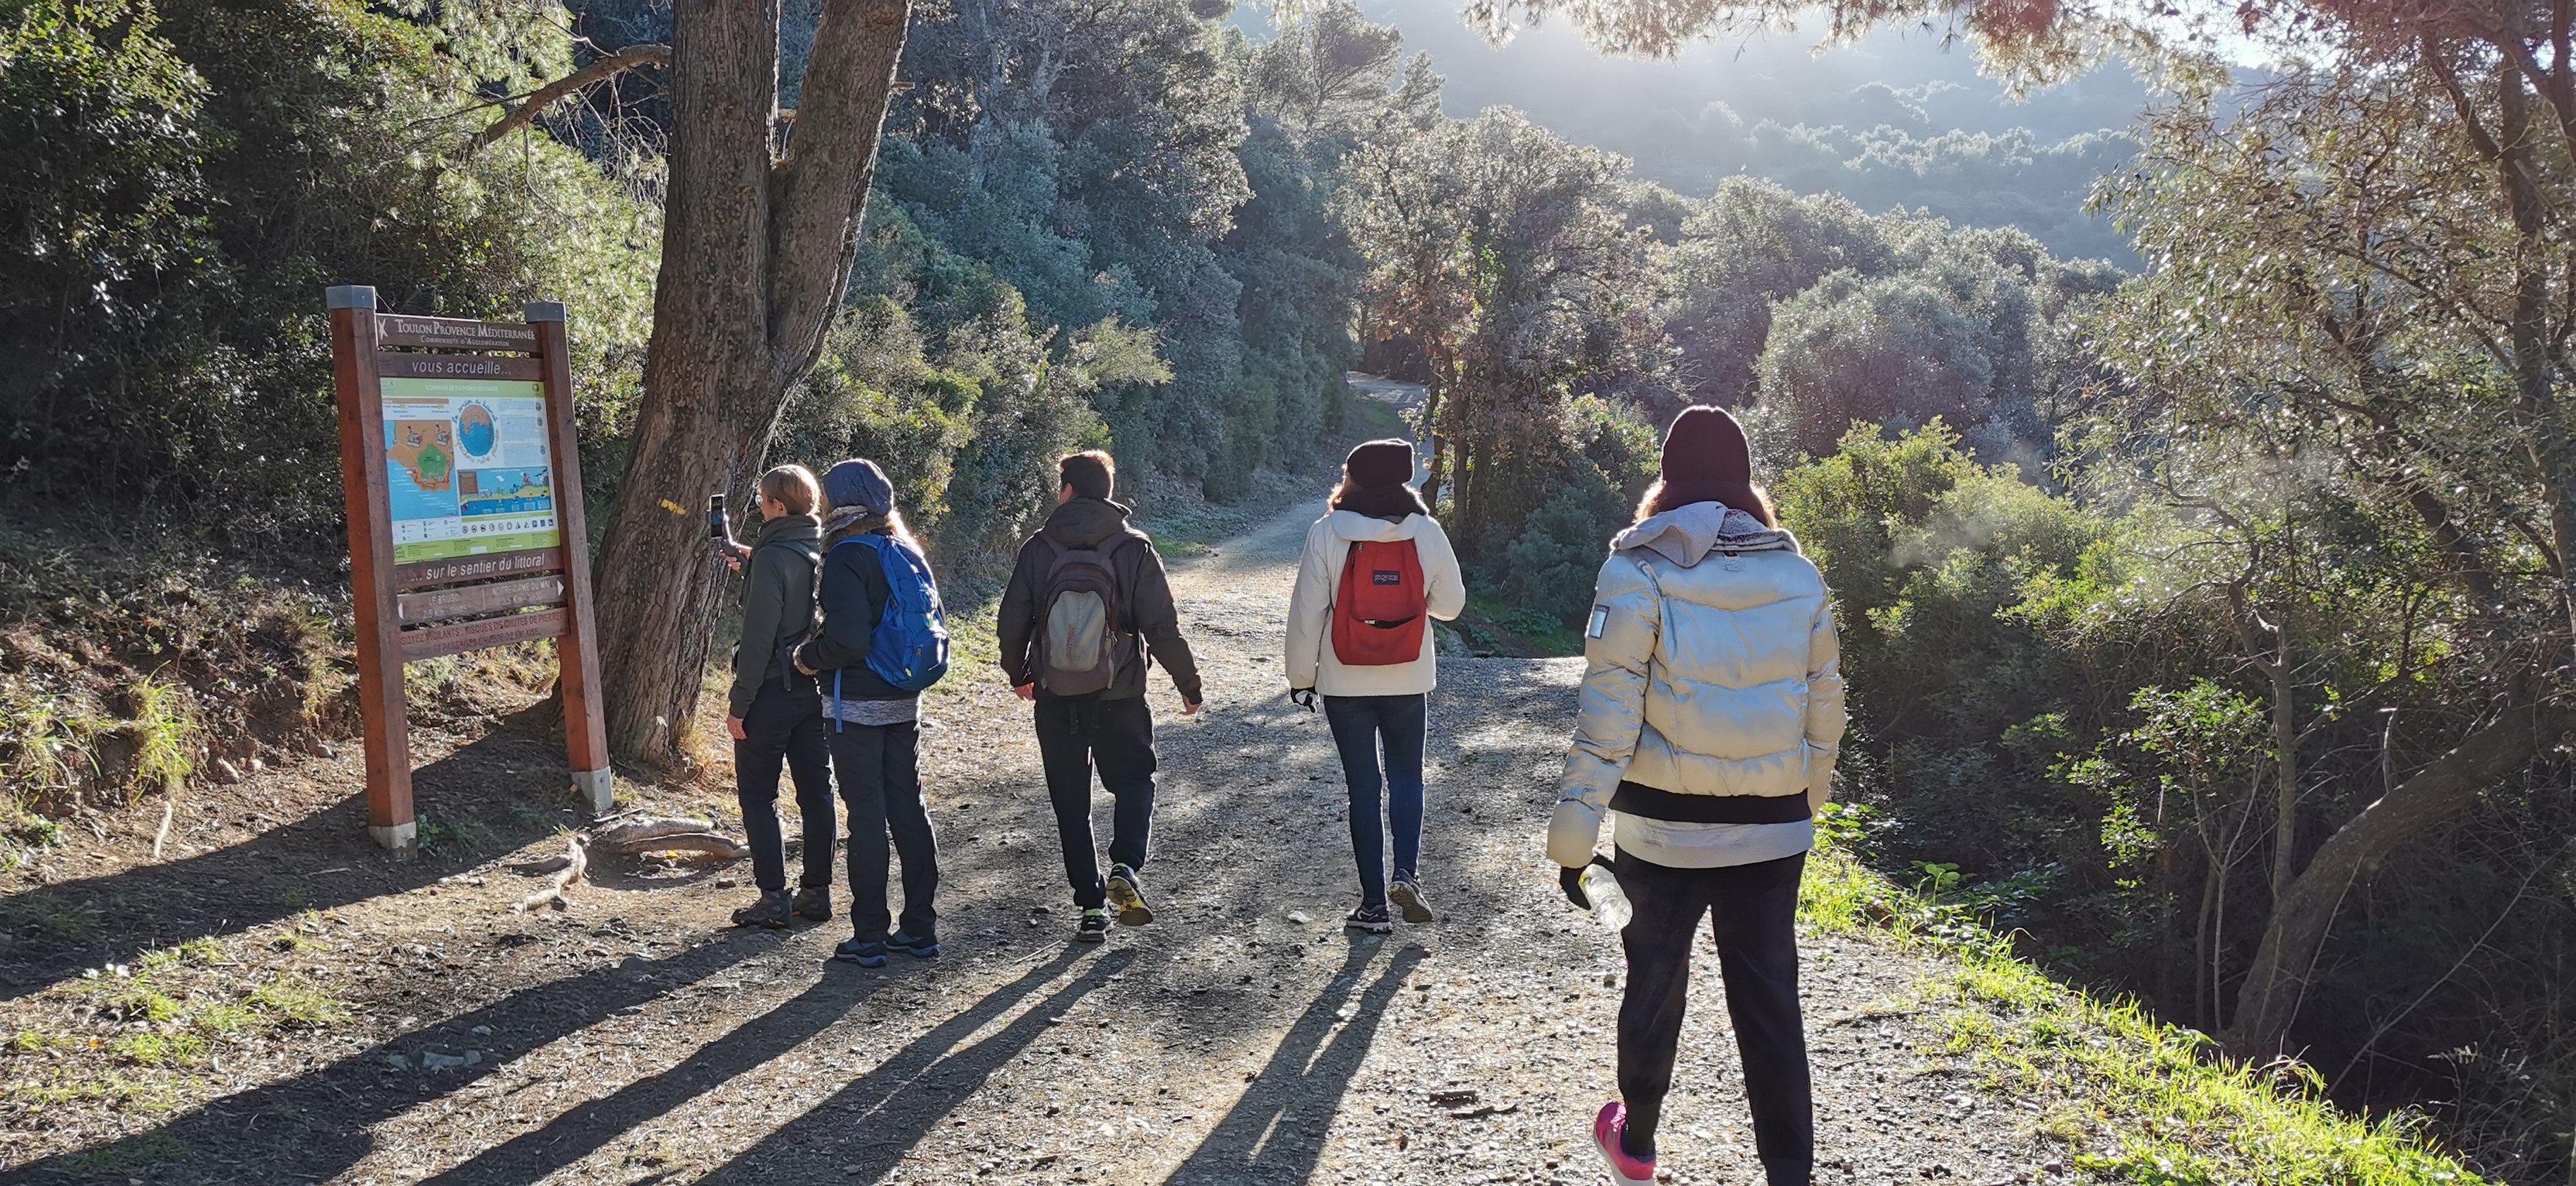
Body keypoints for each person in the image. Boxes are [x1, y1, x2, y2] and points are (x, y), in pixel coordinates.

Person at [1546, 406, 1845, 1186]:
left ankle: (1636, 1143)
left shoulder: (1636, 569)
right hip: (1775, 832)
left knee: (1653, 982)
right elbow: (1826, 713)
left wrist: (1573, 843)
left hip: (1660, 831)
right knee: (1771, 1002)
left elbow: (1606, 720)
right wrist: (1802, 802)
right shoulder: (1800, 575)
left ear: (1666, 481)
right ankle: (1790, 1175)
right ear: (1747, 484)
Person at [997, 450, 1204, 943]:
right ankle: (1126, 866)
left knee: (1071, 801)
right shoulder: (1133, 547)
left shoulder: (1039, 548)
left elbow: (1011, 621)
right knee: (1135, 781)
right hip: (1121, 693)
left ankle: (1091, 908)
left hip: (1056, 693)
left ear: (1066, 490)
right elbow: (1162, 626)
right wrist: (1188, 685)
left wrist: (1018, 673)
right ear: (1108, 491)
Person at [1282, 439, 1465, 935]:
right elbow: (1451, 605)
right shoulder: (1425, 532)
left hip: (1345, 678)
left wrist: (1301, 678)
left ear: (1356, 478)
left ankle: (1372, 907)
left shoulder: (1328, 532)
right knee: (1408, 777)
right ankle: (1406, 875)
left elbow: (1306, 614)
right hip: (1408, 676)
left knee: (1363, 788)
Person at [793, 459, 944, 969]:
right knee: (909, 807)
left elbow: (849, 640)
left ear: (839, 503)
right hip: (904, 698)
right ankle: (920, 929)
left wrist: (806, 658)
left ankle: (870, 937)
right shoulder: (904, 548)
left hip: (855, 706)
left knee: (867, 817)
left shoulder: (845, 557)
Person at [724, 464, 838, 930]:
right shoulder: (822, 545)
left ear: (776, 505)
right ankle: (817, 893)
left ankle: (773, 898)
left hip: (771, 690)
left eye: (761, 500)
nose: (758, 507)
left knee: (758, 795)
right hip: (816, 687)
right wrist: (753, 565)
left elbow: (756, 640)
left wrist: (739, 703)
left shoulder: (774, 557)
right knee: (817, 792)